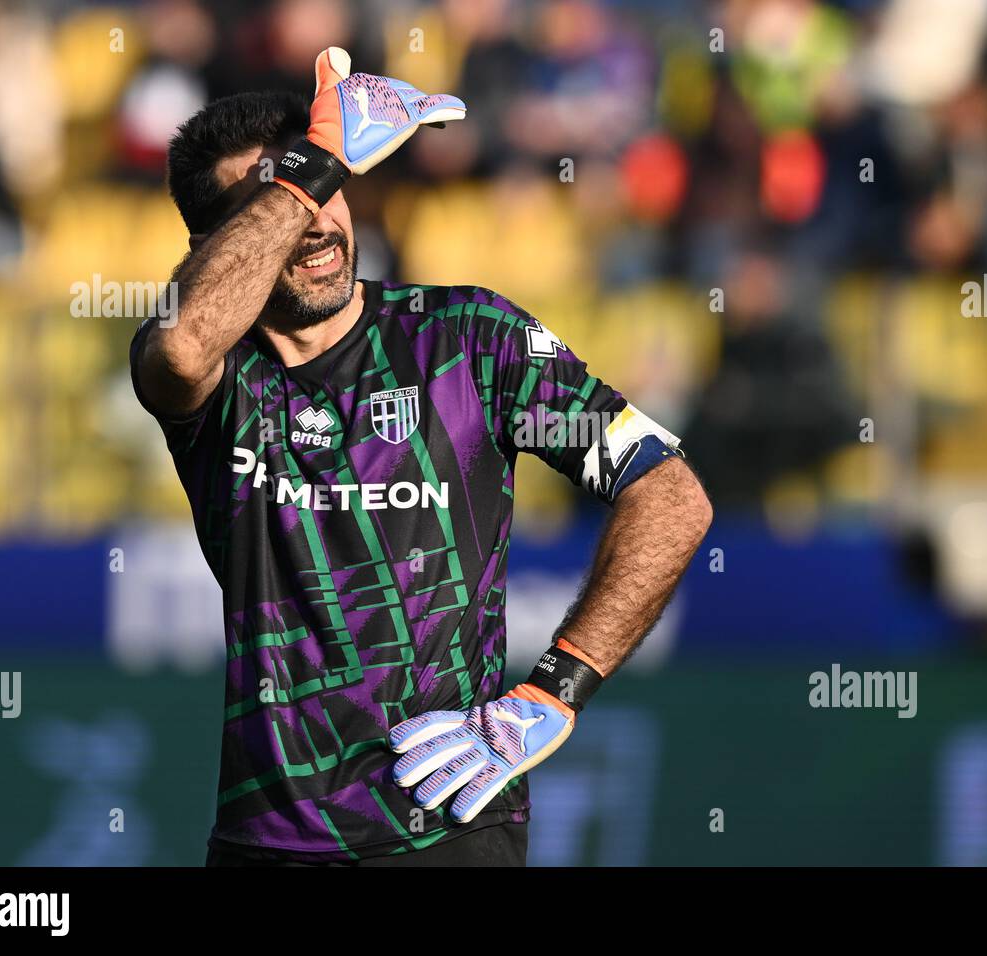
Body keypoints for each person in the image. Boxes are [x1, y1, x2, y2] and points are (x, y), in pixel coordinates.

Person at [129, 48, 711, 866]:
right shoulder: (215, 381)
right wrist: (318, 160)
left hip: (456, 824)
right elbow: (184, 343)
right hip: (269, 841)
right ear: (215, 242)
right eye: (279, 202)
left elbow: (673, 495)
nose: (318, 220)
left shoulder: (469, 339)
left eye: (330, 190)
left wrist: (552, 692)